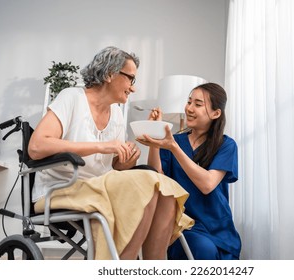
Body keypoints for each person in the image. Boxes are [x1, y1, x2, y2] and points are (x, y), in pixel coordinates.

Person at [28, 46, 193, 260]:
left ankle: (155, 266)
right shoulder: (72, 98)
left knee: (165, 189)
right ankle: (122, 266)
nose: (132, 88)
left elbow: (113, 168)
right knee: (147, 184)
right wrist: (102, 146)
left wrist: (126, 160)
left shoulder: (115, 113)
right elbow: (37, 146)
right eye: (130, 79)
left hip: (100, 186)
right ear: (109, 74)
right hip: (61, 189)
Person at [137, 82, 241, 260]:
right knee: (200, 248)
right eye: (189, 102)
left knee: (209, 252)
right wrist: (155, 142)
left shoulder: (226, 145)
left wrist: (173, 148)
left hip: (216, 226)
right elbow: (157, 178)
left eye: (198, 104)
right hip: (180, 224)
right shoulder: (174, 140)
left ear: (216, 113)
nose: (189, 108)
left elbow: (207, 184)